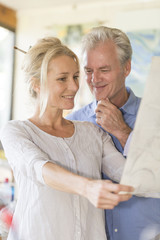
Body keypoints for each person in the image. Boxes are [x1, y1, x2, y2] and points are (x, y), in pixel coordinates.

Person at [0, 37, 133, 240]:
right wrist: (87, 187)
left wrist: (123, 131)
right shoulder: (16, 131)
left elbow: (128, 175)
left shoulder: (92, 132)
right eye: (62, 79)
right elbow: (39, 167)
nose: (73, 87)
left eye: (76, 76)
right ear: (37, 84)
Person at [66, 26, 160, 240]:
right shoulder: (73, 123)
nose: (94, 79)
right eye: (89, 71)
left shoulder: (156, 116)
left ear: (126, 68)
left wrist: (123, 131)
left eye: (104, 69)